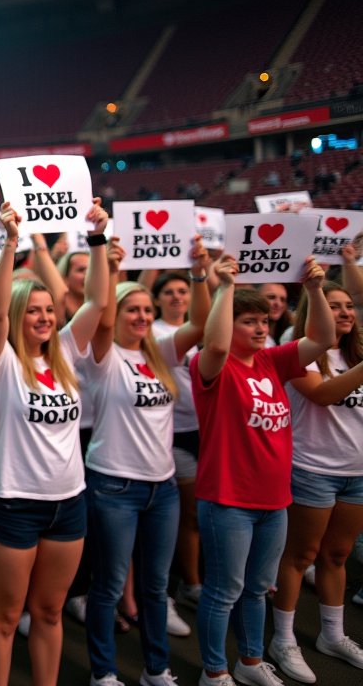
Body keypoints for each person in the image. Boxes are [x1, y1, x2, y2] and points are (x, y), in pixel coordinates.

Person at [0, 200, 110, 686]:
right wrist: (13, 242)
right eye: (32, 310)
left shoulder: (69, 354)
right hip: (13, 503)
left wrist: (97, 238)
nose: (44, 317)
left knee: (50, 613)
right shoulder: (2, 362)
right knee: (7, 616)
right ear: (16, 315)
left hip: (69, 503)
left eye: (49, 309)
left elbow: (97, 302)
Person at [192, 254, 334, 686]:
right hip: (228, 501)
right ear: (227, 323)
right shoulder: (211, 365)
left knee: (258, 590)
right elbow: (214, 344)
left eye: (263, 321)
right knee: (223, 593)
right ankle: (213, 671)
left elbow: (324, 338)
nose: (260, 328)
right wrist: (224, 286)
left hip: (275, 500)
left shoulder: (273, 361)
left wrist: (313, 289)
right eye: (248, 321)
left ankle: (249, 663)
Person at [83, 239, 211, 686]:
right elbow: (98, 312)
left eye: (146, 310)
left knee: (156, 588)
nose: (141, 317)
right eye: (131, 309)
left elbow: (200, 322)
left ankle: (157, 669)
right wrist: (111, 266)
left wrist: (198, 273)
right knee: (109, 588)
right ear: (116, 314)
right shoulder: (102, 357)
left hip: (164, 489)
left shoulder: (160, 353)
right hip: (114, 486)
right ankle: (104, 672)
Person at [269, 275, 363, 682]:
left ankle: (332, 635)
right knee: (299, 557)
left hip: (356, 474)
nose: (344, 312)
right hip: (312, 471)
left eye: (348, 306)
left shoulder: (356, 353)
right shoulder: (300, 353)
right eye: (334, 305)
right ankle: (284, 640)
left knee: (337, 557)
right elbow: (324, 395)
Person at [151, 270, 206, 610]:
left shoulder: (206, 333)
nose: (176, 296)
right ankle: (190, 582)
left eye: (182, 290)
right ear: (156, 298)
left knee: (206, 510)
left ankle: (198, 575)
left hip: (209, 432)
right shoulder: (154, 334)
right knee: (189, 515)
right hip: (172, 433)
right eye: (168, 291)